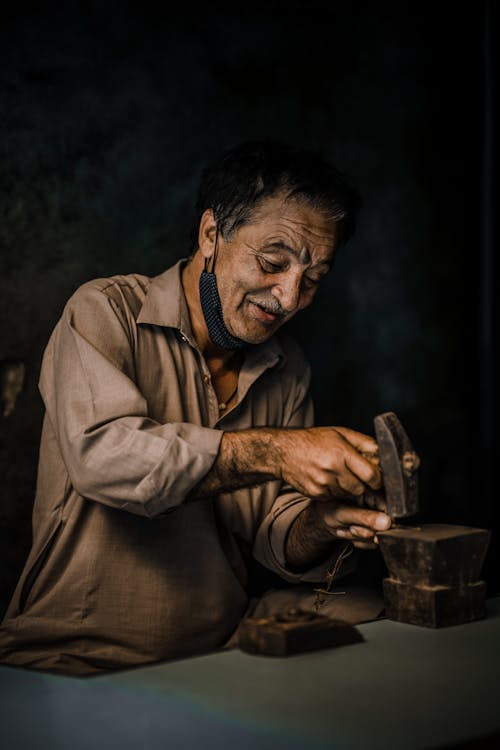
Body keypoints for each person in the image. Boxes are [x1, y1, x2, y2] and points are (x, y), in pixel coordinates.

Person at [0, 140, 391, 676]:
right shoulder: (103, 312)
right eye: (273, 262)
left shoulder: (287, 366)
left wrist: (323, 522)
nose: (289, 297)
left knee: (373, 623)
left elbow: (275, 535)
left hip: (218, 653)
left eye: (314, 280)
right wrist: (278, 452)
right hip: (74, 658)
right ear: (212, 234)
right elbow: (103, 458)